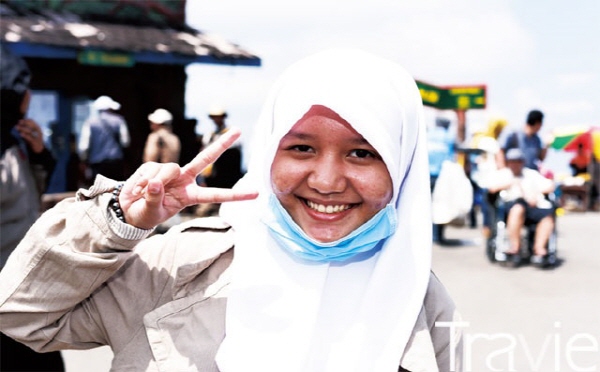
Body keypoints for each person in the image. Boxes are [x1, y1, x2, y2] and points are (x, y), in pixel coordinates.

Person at [0, 49, 462, 371]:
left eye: (362, 153)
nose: (326, 180)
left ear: (401, 167)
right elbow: (19, 315)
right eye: (301, 147)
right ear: (268, 155)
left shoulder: (422, 300)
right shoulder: (180, 266)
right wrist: (115, 219)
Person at [0, 44, 64, 371]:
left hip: (25, 292)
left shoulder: (16, 142)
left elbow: (28, 196)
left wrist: (40, 153)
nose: (30, 95)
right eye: (23, 89)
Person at [485, 148, 556, 267]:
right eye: (512, 161)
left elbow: (550, 185)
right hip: (511, 206)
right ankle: (515, 247)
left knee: (547, 217)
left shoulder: (531, 174)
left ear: (522, 162)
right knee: (518, 209)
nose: (515, 164)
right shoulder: (503, 174)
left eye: (518, 161)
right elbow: (491, 189)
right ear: (508, 162)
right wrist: (508, 184)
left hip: (532, 205)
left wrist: (536, 193)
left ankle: (539, 250)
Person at [196, 106, 244, 216]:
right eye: (214, 117)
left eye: (219, 117)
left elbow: (235, 157)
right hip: (211, 174)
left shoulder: (232, 134)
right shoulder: (209, 135)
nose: (216, 120)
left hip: (227, 173)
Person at [469, 117, 508, 238]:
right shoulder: (492, 142)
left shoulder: (478, 141)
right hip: (492, 179)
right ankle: (490, 228)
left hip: (480, 178)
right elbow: (500, 162)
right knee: (492, 206)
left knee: (484, 205)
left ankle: (486, 227)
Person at [78, 95, 130, 182]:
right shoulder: (119, 121)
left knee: (98, 191)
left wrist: (83, 160)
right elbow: (125, 142)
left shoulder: (90, 123)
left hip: (97, 163)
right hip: (115, 162)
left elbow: (84, 146)